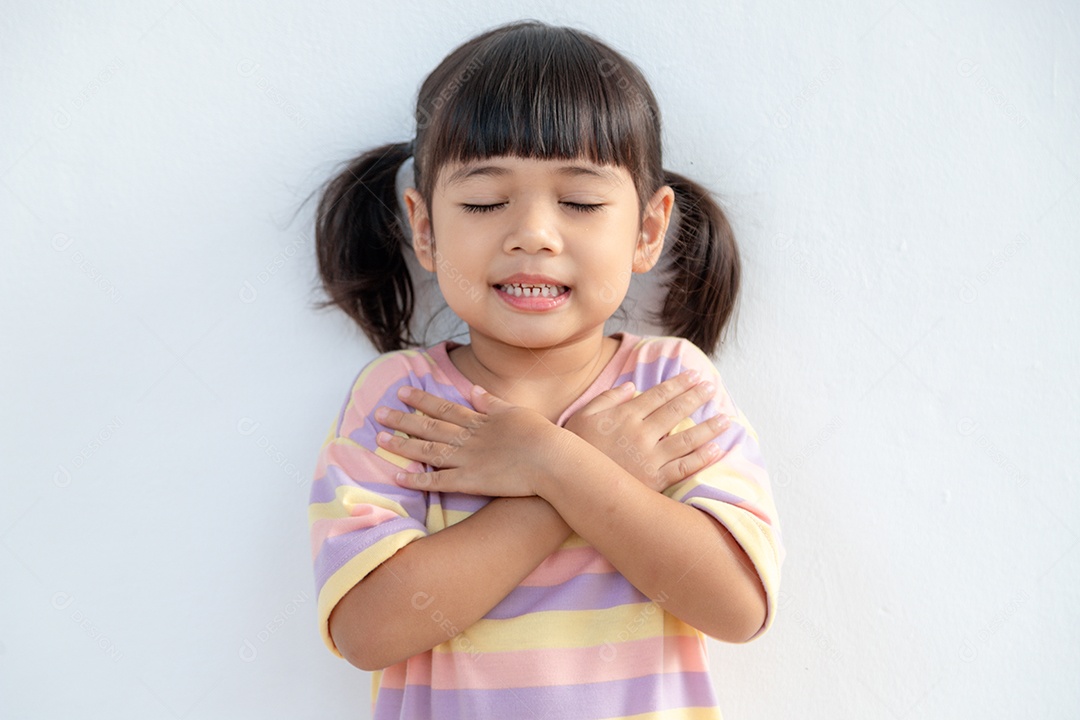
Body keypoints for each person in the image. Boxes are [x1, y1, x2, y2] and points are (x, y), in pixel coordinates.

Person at [307, 19, 784, 719]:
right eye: (484, 201)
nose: (532, 232)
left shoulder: (669, 389)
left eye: (581, 202)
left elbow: (736, 607)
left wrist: (554, 462)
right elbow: (367, 629)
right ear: (426, 227)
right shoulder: (402, 402)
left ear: (648, 230)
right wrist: (560, 470)